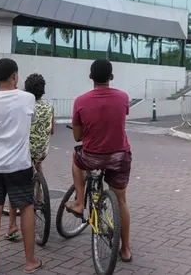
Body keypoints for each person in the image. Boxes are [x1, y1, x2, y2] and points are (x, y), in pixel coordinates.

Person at [0, 58, 43, 275]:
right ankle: (30, 262)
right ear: (15, 76)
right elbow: (29, 122)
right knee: (27, 207)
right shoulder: (29, 98)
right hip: (19, 163)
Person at [65, 59, 133, 262]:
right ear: (111, 77)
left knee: (76, 159)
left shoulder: (80, 101)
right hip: (119, 157)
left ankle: (78, 202)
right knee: (121, 201)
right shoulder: (123, 97)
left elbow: (77, 137)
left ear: (90, 77)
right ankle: (126, 249)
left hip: (92, 157)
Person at [5, 73, 55, 241]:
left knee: (15, 182)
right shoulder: (49, 106)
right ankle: (39, 195)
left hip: (24, 152)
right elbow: (51, 130)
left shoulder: (23, 104)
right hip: (42, 151)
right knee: (38, 165)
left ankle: (12, 225)